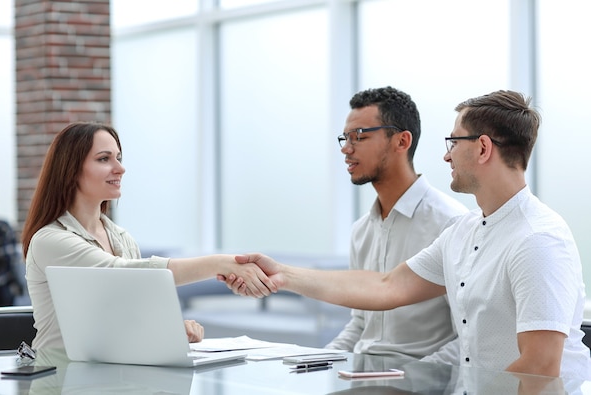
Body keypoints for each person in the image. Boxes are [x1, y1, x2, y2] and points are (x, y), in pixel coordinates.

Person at [227, 90, 591, 380]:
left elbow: (539, 368)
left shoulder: (538, 239)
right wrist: (284, 275)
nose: (446, 157)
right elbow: (387, 286)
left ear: (482, 148)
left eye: (453, 142)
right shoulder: (463, 231)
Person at [21, 121, 276, 350]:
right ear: (71, 170)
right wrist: (220, 263)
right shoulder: (50, 241)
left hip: (115, 377)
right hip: (59, 380)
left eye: (118, 158)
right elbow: (125, 274)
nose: (119, 168)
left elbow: (130, 316)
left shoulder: (121, 238)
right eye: (104, 159)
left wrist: (170, 329)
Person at [312, 87, 468, 359]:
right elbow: (360, 324)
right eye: (345, 138)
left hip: (420, 383)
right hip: (364, 378)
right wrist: (315, 363)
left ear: (401, 141)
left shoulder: (451, 223)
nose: (346, 149)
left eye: (359, 136)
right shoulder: (361, 230)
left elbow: (465, 339)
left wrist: (408, 377)